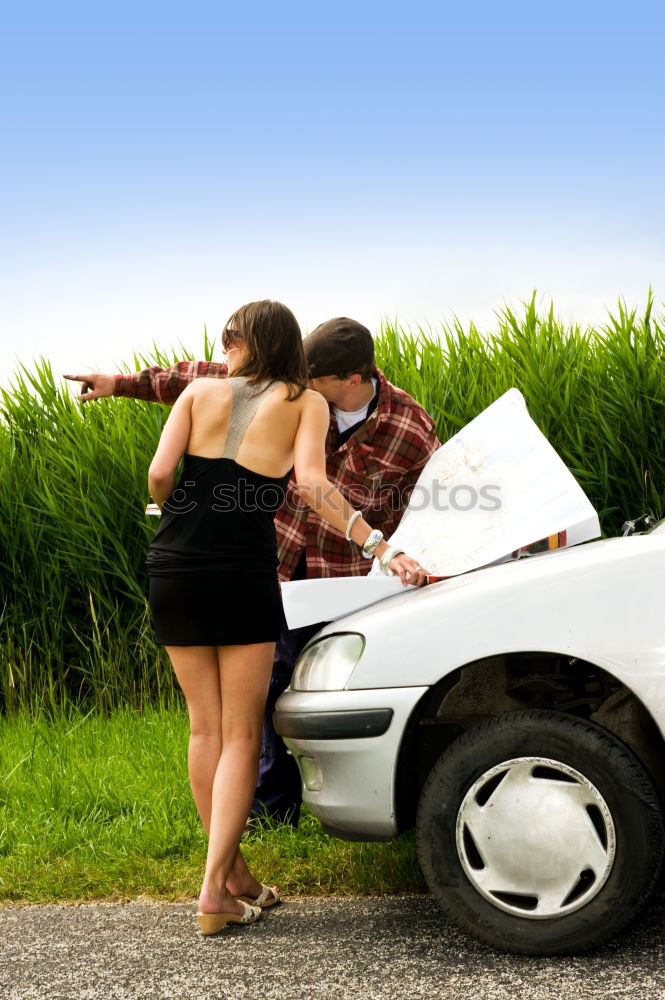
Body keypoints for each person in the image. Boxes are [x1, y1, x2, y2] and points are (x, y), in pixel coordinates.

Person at [65, 315, 441, 825]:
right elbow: (203, 379)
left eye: (314, 379)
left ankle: (350, 795)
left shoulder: (409, 427)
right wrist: (120, 385)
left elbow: (435, 500)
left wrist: (398, 553)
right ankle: (268, 806)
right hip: (272, 558)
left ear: (353, 379)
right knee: (262, 688)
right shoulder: (295, 394)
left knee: (328, 684)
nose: (300, 383)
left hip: (344, 576)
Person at [142, 299, 428, 934]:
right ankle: (215, 888)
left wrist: (184, 501)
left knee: (204, 731)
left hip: (175, 567)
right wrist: (380, 545)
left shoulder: (199, 394)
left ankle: (234, 877)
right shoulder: (307, 404)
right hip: (243, 573)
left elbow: (161, 477)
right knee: (243, 733)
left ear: (243, 345)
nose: (224, 352)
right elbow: (314, 487)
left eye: (228, 341)